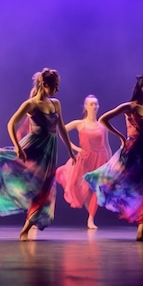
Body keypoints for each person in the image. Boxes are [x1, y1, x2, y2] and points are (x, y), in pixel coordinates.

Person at [0, 68, 76, 241]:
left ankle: (26, 228)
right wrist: (17, 147)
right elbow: (11, 124)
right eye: (55, 86)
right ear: (44, 85)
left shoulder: (56, 103)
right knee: (28, 182)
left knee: (44, 189)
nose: (57, 90)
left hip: (49, 151)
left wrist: (70, 150)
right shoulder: (31, 104)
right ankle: (23, 223)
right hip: (33, 147)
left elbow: (61, 129)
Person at [84, 75, 143, 242]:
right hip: (132, 153)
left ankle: (141, 230)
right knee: (124, 184)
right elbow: (103, 119)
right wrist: (121, 136)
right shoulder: (129, 107)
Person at [56, 94, 112, 229]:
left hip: (100, 159)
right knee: (80, 186)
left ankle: (91, 219)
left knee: (95, 190)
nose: (94, 106)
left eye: (96, 104)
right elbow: (60, 131)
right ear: (86, 106)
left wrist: (110, 163)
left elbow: (106, 145)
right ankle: (90, 215)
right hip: (84, 159)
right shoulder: (79, 123)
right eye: (91, 104)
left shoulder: (102, 126)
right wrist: (74, 148)